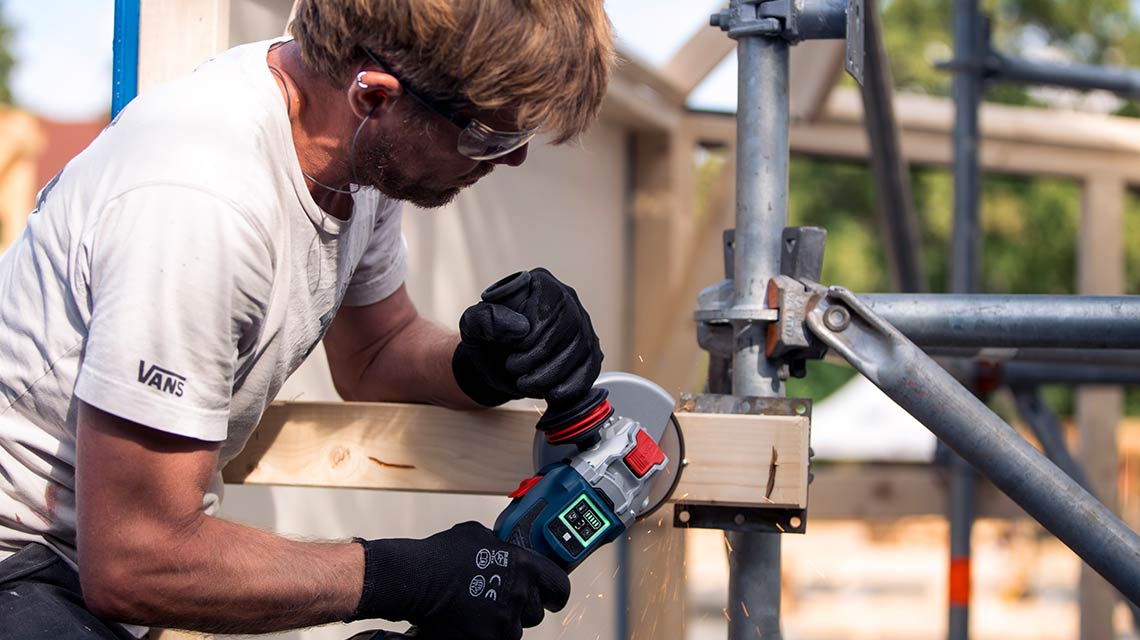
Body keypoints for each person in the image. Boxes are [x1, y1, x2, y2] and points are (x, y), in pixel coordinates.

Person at [0, 0, 613, 638]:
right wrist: (410, 578)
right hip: (22, 564)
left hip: (91, 567)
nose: (509, 160)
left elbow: (376, 351)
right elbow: (136, 558)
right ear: (375, 96)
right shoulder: (201, 204)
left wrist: (483, 365)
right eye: (488, 136)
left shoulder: (353, 155)